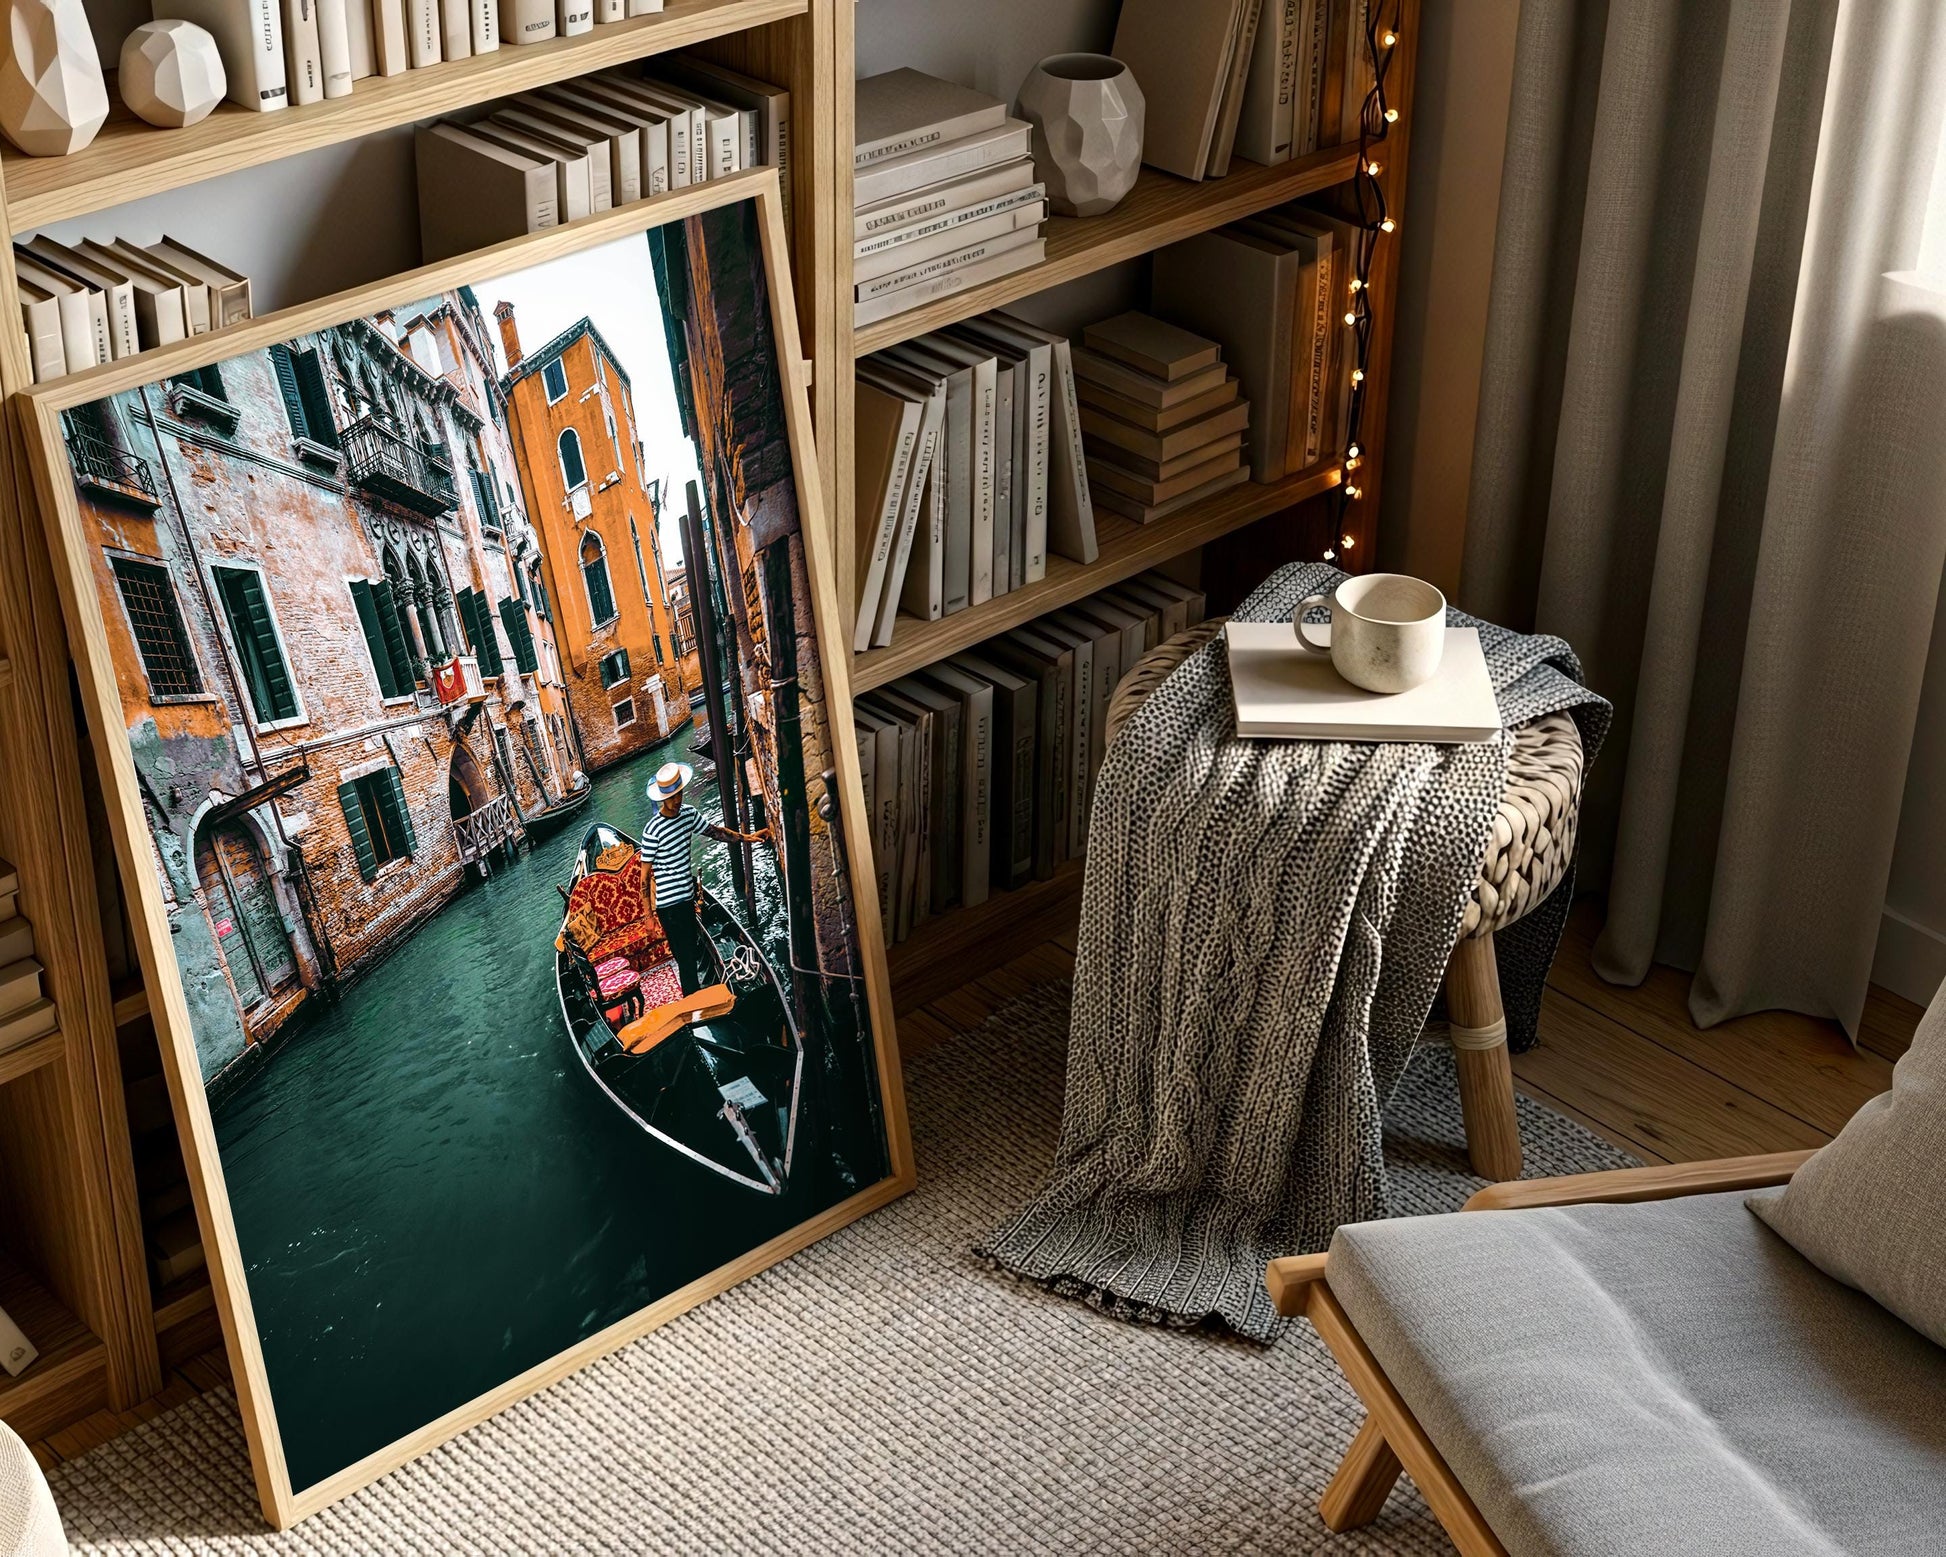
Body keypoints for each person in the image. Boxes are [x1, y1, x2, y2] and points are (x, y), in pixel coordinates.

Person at [641, 761, 769, 994]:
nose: (677, 801)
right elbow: (644, 876)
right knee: (686, 957)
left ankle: (696, 999)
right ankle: (694, 1004)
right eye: (671, 797)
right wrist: (648, 916)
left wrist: (748, 837)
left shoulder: (689, 815)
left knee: (690, 950)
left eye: (679, 794)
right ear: (662, 799)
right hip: (668, 906)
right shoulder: (652, 830)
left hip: (686, 900)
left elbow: (717, 832)